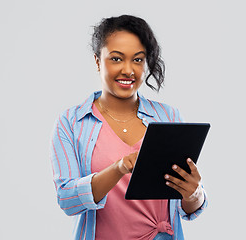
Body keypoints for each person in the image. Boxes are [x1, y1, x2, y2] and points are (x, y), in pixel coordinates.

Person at [50, 15, 208, 240]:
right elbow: (67, 200)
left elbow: (190, 208)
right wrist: (118, 168)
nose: (128, 70)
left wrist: (193, 193)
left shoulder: (169, 116)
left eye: (138, 59)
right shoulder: (71, 123)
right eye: (116, 59)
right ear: (97, 61)